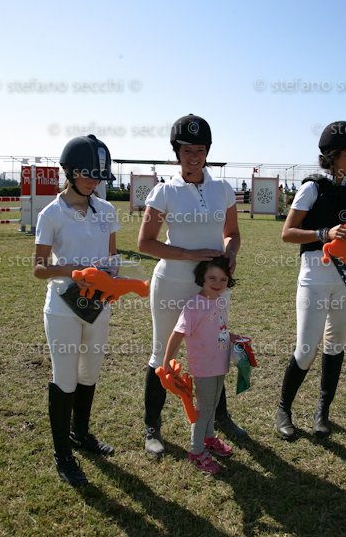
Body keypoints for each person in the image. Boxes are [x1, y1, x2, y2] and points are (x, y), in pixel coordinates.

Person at [138, 113, 244, 456]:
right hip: (172, 283)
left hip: (214, 287)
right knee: (161, 352)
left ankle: (220, 417)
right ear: (177, 153)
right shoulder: (164, 191)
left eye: (200, 150)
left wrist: (230, 254)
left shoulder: (222, 189)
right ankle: (152, 427)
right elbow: (145, 243)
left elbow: (232, 233)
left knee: (216, 350)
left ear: (208, 151)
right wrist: (189, 254)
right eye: (187, 150)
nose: (194, 157)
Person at [34, 134, 120, 486]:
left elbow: (112, 256)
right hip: (63, 307)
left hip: (98, 304)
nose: (93, 182)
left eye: (99, 176)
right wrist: (73, 271)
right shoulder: (51, 213)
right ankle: (63, 455)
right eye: (87, 174)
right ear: (69, 171)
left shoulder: (108, 211)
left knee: (90, 372)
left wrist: (111, 275)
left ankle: (80, 434)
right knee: (65, 377)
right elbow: (39, 268)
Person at [275, 121, 346, 441]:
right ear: (332, 155)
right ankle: (283, 409)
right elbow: (287, 233)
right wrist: (324, 233)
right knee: (306, 349)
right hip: (315, 274)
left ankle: (322, 412)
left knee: (336, 343)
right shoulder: (312, 188)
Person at [162, 256, 235, 474]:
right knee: (203, 409)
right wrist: (167, 361)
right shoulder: (194, 305)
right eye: (212, 278)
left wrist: (231, 337)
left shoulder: (219, 301)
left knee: (213, 404)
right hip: (204, 367)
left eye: (223, 279)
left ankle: (209, 438)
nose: (218, 283)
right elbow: (178, 333)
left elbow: (217, 328)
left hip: (219, 363)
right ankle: (196, 450)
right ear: (202, 277)